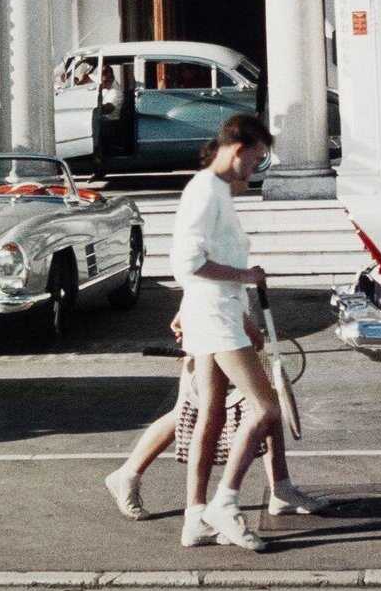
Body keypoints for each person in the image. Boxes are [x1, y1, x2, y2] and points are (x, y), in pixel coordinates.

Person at [166, 111, 299, 551]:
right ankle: (226, 502)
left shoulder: (215, 189)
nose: (256, 168)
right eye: (257, 159)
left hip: (215, 312)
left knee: (213, 417)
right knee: (265, 409)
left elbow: (200, 265)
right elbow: (187, 264)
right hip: (215, 317)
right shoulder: (206, 191)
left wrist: (240, 310)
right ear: (238, 149)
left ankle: (194, 518)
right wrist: (246, 278)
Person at [104, 310, 329, 522]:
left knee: (264, 400)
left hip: (225, 321)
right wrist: (237, 314)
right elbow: (200, 274)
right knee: (195, 410)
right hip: (215, 323)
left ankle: (280, 489)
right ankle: (133, 478)